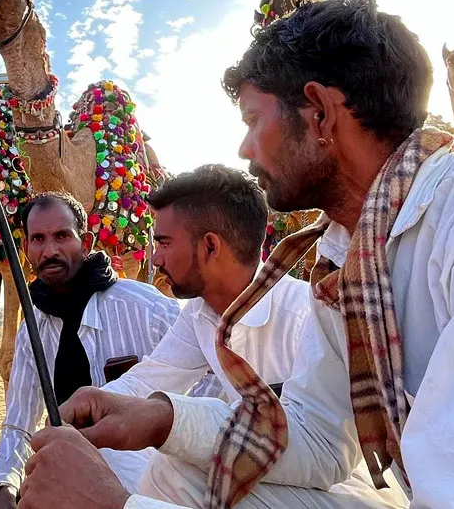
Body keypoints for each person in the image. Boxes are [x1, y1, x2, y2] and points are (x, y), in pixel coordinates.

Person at [18, 0, 454, 509]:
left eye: (252, 120)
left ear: (318, 113)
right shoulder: (351, 260)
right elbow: (316, 439)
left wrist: (115, 506)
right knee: (181, 468)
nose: (245, 148)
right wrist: (163, 418)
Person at [56, 164, 406, 508]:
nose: (156, 257)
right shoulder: (200, 314)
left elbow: (324, 450)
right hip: (271, 471)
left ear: (210, 246)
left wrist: (167, 424)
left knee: (178, 466)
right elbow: (149, 379)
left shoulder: (303, 315)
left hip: (345, 488)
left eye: (163, 243)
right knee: (162, 464)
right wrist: (91, 405)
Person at [0, 191, 180, 509]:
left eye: (62, 236)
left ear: (86, 242)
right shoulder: (33, 328)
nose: (50, 250)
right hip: (64, 476)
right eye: (38, 239)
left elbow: (204, 389)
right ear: (26, 249)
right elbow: (18, 423)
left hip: (138, 481)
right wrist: (3, 488)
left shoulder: (146, 309)